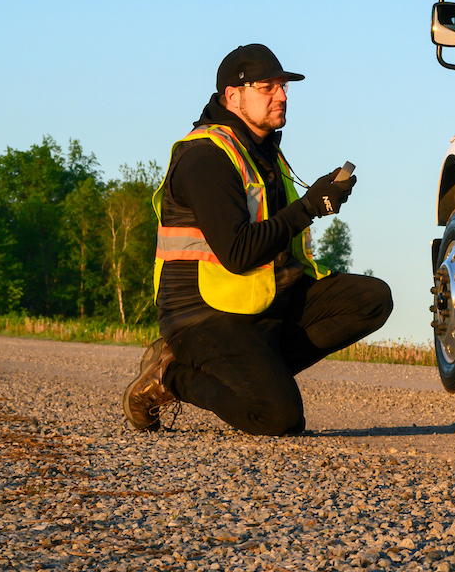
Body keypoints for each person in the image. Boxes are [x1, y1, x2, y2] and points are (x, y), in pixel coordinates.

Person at [124, 44, 393, 435]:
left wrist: (311, 204)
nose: (281, 95)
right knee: (278, 417)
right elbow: (237, 252)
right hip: (201, 315)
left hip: (258, 301)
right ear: (233, 96)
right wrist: (310, 207)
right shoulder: (205, 157)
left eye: (282, 86)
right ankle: (171, 375)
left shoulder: (262, 153)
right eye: (267, 87)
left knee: (371, 300)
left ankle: (256, 369)